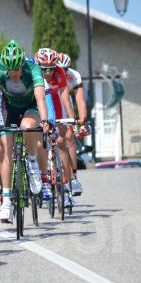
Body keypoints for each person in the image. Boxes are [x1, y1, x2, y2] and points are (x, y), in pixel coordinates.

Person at [0, 42, 51, 223]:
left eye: (17, 69)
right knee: (6, 150)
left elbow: (40, 98)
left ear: (22, 65)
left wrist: (45, 121)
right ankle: (6, 201)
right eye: (10, 70)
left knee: (27, 126)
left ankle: (32, 162)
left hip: (30, 107)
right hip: (9, 108)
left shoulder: (33, 69)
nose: (13, 73)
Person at [35, 48, 77, 204]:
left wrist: (72, 120)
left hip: (55, 102)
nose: (47, 72)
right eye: (44, 68)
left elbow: (65, 99)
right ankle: (40, 175)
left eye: (50, 68)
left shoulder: (59, 73)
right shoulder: (34, 72)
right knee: (39, 142)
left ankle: (67, 185)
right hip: (39, 104)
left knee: (60, 141)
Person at [57, 53, 86, 196]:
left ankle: (74, 175)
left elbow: (79, 99)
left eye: (65, 70)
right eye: (59, 69)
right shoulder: (48, 74)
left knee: (69, 136)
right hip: (50, 103)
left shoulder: (74, 75)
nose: (62, 72)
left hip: (65, 105)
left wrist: (82, 119)